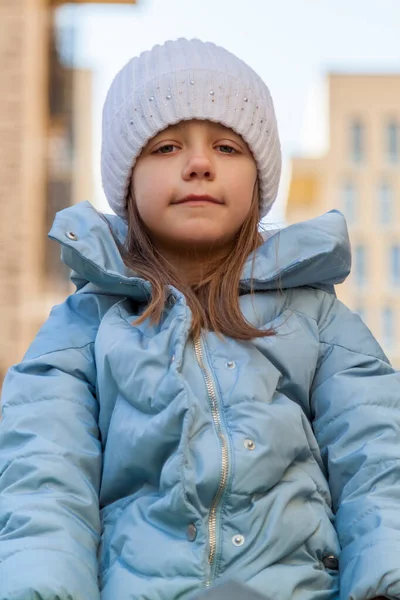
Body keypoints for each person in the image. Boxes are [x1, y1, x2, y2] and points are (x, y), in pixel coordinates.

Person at [0, 38, 398, 600]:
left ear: (259, 180)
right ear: (127, 181)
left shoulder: (320, 320)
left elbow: (379, 461)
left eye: (228, 147)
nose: (199, 164)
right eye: (164, 147)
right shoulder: (82, 331)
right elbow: (43, 480)